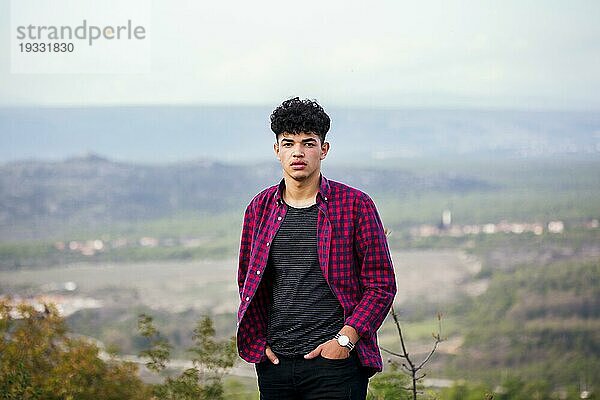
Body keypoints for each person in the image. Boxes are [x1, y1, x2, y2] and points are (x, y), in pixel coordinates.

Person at [237, 97, 397, 399]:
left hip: (336, 364)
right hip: (276, 364)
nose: (298, 152)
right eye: (288, 143)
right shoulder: (259, 209)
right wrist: (261, 344)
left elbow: (381, 285)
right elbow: (248, 281)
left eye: (308, 143)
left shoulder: (355, 206)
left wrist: (346, 340)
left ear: (324, 149)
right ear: (276, 151)